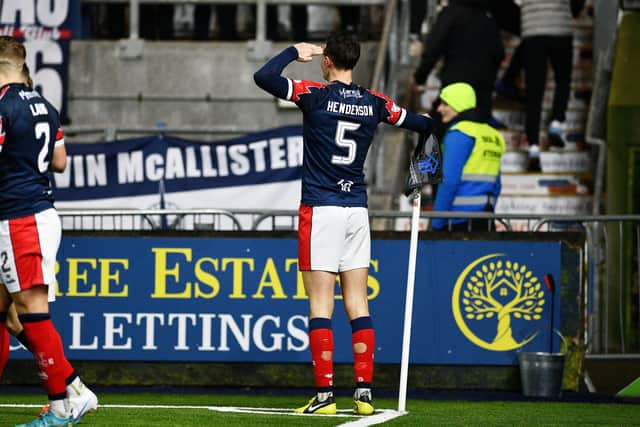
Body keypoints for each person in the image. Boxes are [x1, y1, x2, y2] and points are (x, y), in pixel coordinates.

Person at [254, 32, 432, 415]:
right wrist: (425, 155)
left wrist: (293, 52)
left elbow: (264, 77)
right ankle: (364, 393)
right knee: (358, 301)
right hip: (356, 210)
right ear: (356, 62)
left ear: (326, 61)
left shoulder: (313, 94)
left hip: (320, 209)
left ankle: (325, 397)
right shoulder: (375, 102)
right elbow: (420, 123)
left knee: (321, 303)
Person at [0, 37, 98, 426]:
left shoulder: (4, 105)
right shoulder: (45, 105)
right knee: (7, 314)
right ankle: (73, 388)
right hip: (27, 212)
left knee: (31, 311)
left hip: (22, 216)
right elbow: (59, 161)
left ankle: (63, 404)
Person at [412, 0, 504, 139]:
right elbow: (499, 53)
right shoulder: (488, 20)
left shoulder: (451, 13)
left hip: (455, 86)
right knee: (476, 138)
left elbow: (433, 47)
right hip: (481, 91)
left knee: (434, 134)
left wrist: (420, 77)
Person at [519, 0, 585, 171]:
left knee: (534, 91)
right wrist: (575, 10)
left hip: (532, 30)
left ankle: (533, 148)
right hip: (560, 28)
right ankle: (556, 123)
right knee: (563, 80)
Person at [431, 83, 505, 231]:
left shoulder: (459, 133)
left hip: (457, 222)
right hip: (485, 220)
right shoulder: (493, 135)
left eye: (445, 103)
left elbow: (449, 182)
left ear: (458, 104)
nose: (439, 109)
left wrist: (436, 223)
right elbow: (497, 185)